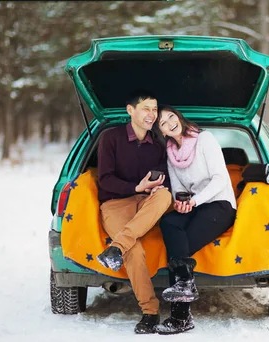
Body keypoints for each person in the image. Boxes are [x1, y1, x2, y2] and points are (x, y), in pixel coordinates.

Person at [152, 105, 237, 335]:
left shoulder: (205, 140)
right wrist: (181, 203)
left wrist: (196, 201)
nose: (169, 122)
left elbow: (220, 179)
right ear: (162, 131)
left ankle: (180, 317)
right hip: (195, 205)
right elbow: (179, 188)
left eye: (171, 116)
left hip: (220, 204)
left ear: (178, 117)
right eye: (162, 122)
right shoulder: (170, 153)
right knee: (169, 223)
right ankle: (185, 284)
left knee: (179, 246)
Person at [95, 90, 172, 334]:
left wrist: (153, 186)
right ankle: (150, 312)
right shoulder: (110, 138)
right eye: (146, 108)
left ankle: (116, 247)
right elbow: (104, 179)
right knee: (134, 250)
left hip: (147, 203)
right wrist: (135, 187)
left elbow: (164, 176)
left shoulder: (159, 143)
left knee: (165, 195)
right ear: (130, 110)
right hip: (116, 204)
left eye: (154, 109)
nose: (152, 115)